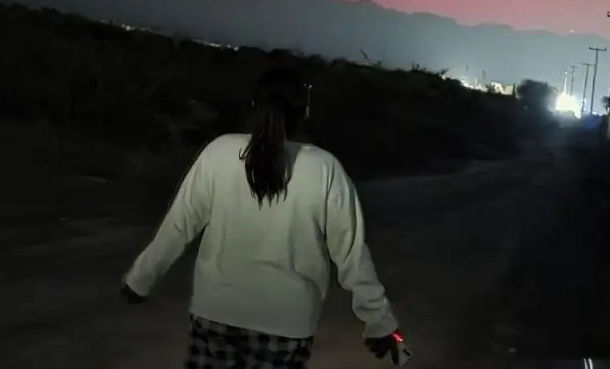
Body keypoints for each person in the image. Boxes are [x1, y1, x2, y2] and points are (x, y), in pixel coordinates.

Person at [120, 65, 404, 368]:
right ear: (305, 112)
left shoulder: (218, 152)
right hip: (286, 324)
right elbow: (350, 254)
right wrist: (380, 323)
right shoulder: (324, 168)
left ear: (255, 105)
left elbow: (179, 225)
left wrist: (140, 279)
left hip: (215, 314)